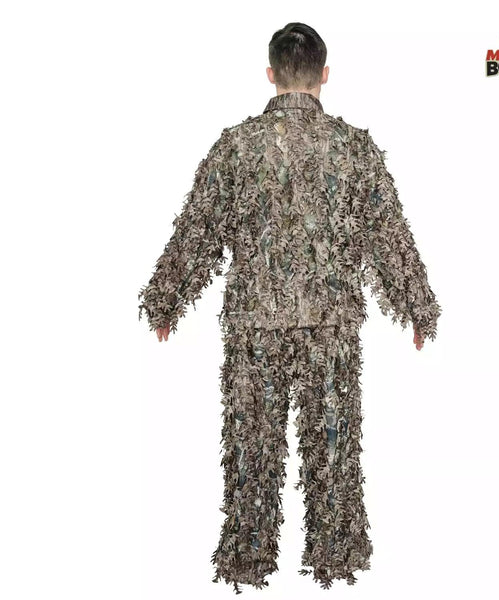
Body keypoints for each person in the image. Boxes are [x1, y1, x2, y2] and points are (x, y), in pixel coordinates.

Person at [138, 21, 441, 593]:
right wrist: (416, 307)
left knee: (251, 450)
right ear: (325, 75)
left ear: (270, 74)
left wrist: (165, 301)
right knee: (333, 448)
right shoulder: (353, 149)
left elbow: (198, 229)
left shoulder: (236, 146)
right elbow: (388, 234)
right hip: (330, 328)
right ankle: (336, 559)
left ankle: (247, 563)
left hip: (256, 326)